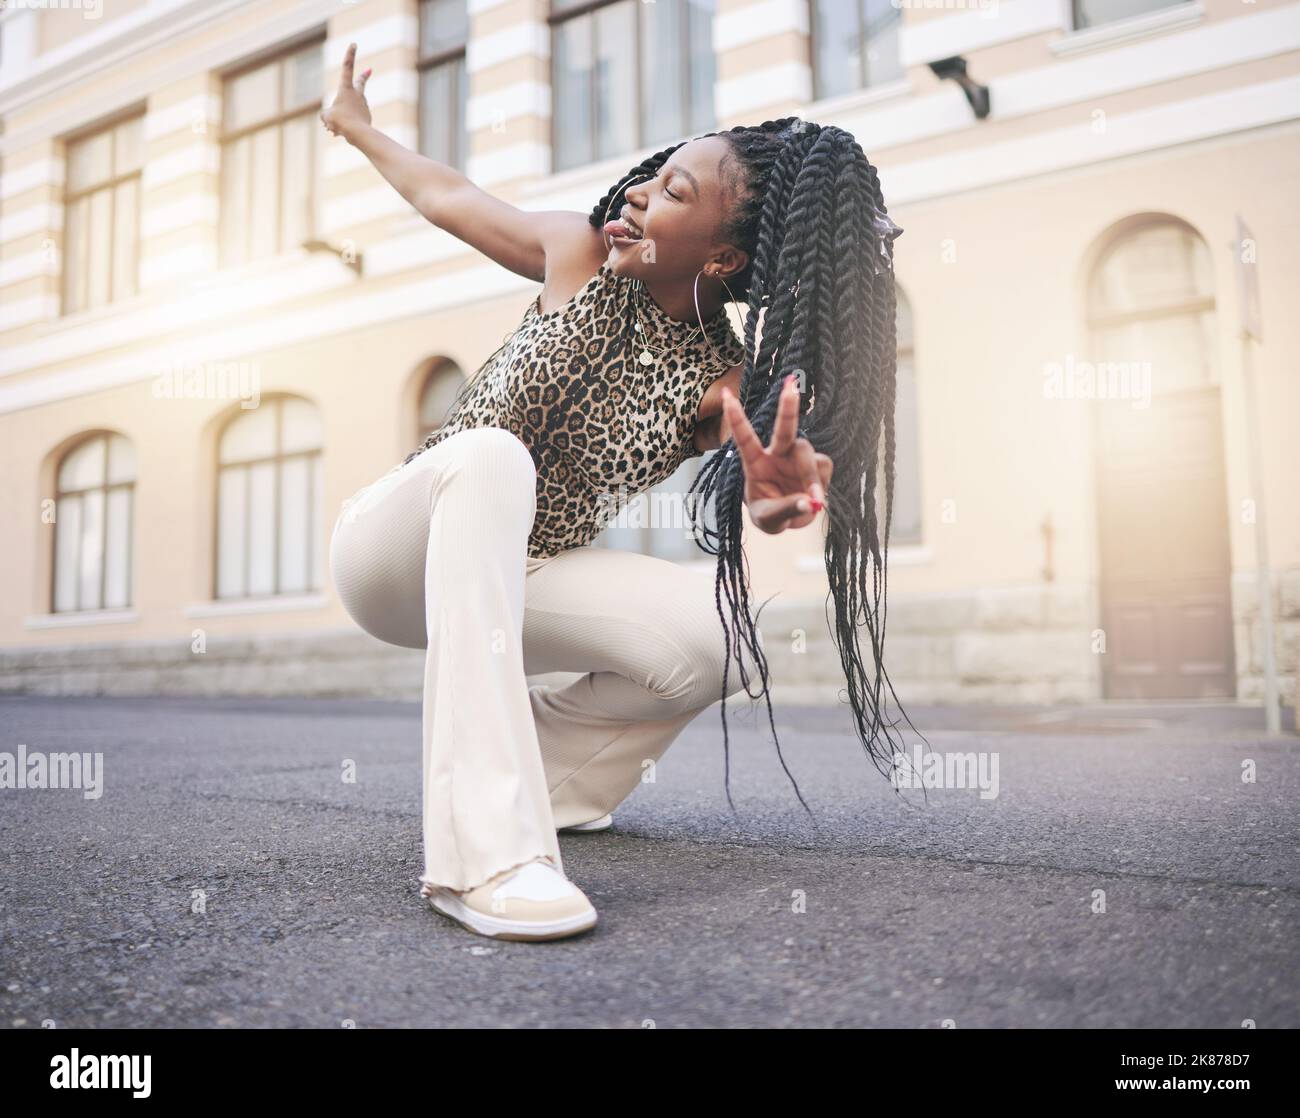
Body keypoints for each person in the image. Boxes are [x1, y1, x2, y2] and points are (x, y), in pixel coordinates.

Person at [321, 44, 912, 942]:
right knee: (491, 460)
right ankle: (486, 860)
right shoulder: (572, 253)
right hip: (395, 548)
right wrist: (360, 131)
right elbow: (447, 195)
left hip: (522, 577)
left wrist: (780, 497)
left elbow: (757, 480)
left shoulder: (719, 377)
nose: (638, 193)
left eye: (675, 193)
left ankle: (552, 786)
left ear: (721, 255)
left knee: (725, 638)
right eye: (653, 177)